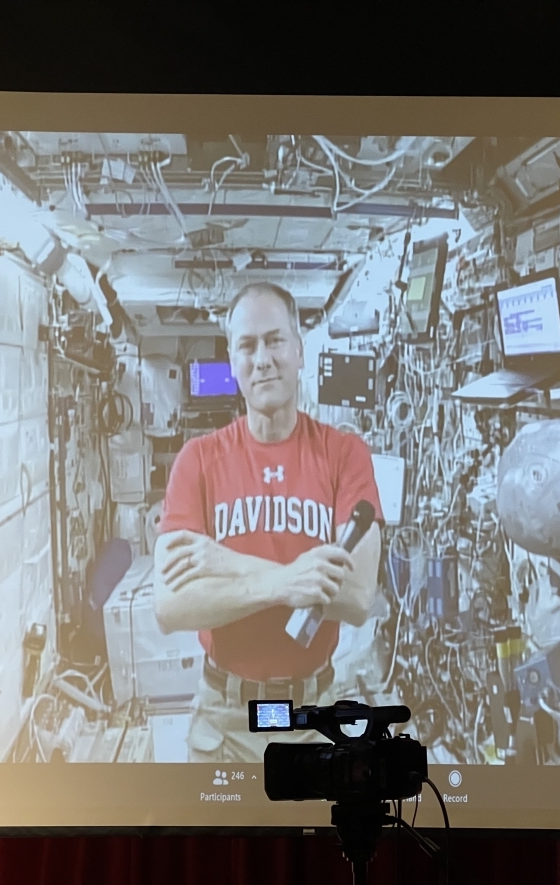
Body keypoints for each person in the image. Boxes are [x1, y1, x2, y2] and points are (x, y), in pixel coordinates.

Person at [153, 282, 383, 763]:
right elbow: (173, 606)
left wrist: (226, 564)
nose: (263, 359)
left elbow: (358, 599)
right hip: (226, 718)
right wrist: (285, 582)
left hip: (314, 716)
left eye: (276, 341)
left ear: (299, 352)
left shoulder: (345, 455)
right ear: (233, 362)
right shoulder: (197, 461)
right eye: (247, 345)